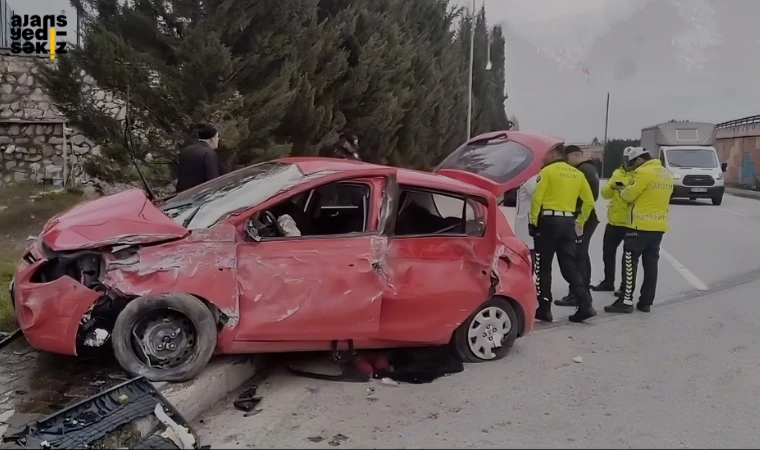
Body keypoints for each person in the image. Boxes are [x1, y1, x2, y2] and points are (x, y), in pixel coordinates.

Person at [529, 144, 597, 323]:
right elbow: (589, 201)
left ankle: (544, 308)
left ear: (552, 153)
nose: (542, 158)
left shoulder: (548, 172)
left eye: (544, 155)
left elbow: (538, 198)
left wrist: (533, 221)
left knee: (543, 266)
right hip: (568, 222)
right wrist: (580, 221)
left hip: (548, 222)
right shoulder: (577, 173)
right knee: (570, 266)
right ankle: (585, 303)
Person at [604, 147, 673, 314]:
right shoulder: (666, 174)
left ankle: (626, 301)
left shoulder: (643, 173)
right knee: (651, 265)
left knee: (629, 262)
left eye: (633, 163)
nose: (633, 166)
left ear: (640, 160)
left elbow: (628, 196)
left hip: (639, 226)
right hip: (658, 227)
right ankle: (646, 302)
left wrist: (621, 190)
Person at [554, 145, 600, 307]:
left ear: (574, 156)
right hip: (587, 217)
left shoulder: (583, 170)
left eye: (566, 160)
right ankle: (582, 290)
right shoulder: (590, 168)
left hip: (582, 217)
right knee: (581, 255)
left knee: (576, 256)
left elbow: (588, 197)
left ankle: (578, 294)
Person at [592, 147, 635, 293]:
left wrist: (623, 188)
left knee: (627, 258)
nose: (628, 162)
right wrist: (613, 186)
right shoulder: (618, 172)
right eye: (626, 159)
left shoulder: (639, 174)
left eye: (630, 159)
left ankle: (625, 287)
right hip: (614, 221)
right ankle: (608, 282)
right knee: (608, 253)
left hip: (630, 222)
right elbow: (605, 193)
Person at [176, 123, 221, 193]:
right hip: (201, 197)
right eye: (217, 137)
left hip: (183, 198)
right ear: (212, 139)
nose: (218, 139)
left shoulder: (186, 151)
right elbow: (213, 181)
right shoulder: (208, 153)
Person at [514, 174, 539, 270]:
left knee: (529, 255)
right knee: (528, 255)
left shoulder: (531, 179)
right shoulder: (531, 180)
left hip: (527, 224)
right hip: (526, 224)